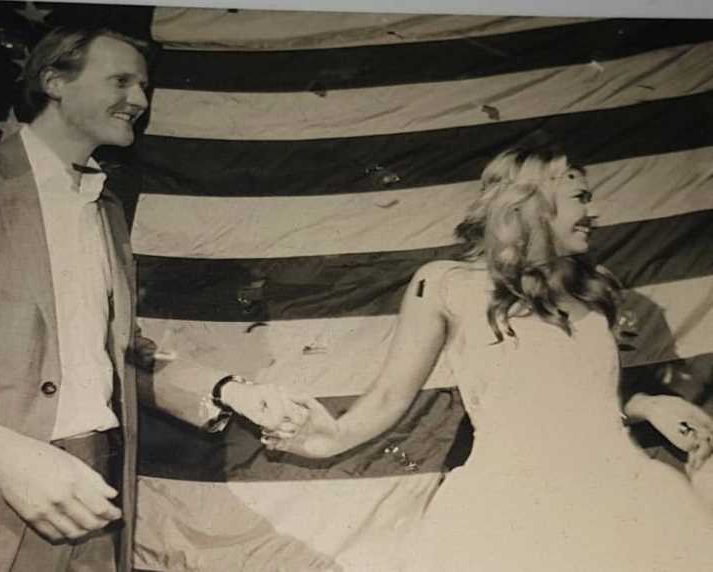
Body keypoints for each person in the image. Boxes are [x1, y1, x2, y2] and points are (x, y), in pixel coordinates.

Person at [0, 27, 304, 572]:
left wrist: (225, 389)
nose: (139, 101)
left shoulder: (106, 209)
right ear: (54, 82)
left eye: (143, 86)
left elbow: (109, 354)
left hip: (90, 505)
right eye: (121, 80)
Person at [266, 145, 713, 571]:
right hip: (508, 504)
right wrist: (330, 437)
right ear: (530, 202)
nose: (593, 213)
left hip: (620, 494)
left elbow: (577, 399)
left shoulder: (594, 288)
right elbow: (388, 397)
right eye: (580, 198)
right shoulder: (443, 283)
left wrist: (650, 405)